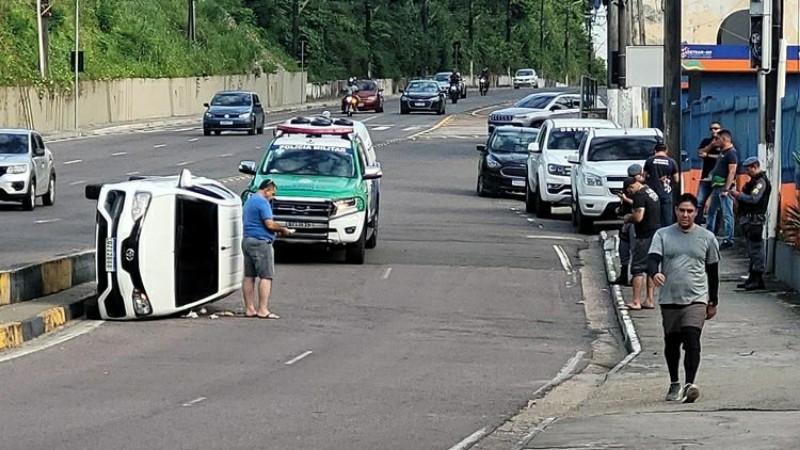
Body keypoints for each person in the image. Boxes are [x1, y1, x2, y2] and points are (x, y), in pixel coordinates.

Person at [647, 193, 720, 403]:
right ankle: (674, 382)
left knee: (692, 339)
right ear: (676, 210)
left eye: (690, 211)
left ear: (696, 212)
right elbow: (652, 260)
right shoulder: (663, 235)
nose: (685, 215)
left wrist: (712, 301)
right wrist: (655, 273)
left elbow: (713, 272)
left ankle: (690, 384)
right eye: (682, 210)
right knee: (672, 344)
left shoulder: (707, 238)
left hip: (696, 298)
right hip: (670, 298)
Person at [241, 180, 294, 319]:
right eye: (272, 193)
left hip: (247, 240)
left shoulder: (250, 200)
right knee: (266, 276)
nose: (273, 196)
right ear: (266, 190)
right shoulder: (262, 202)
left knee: (249, 276)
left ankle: (249, 309)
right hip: (261, 242)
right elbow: (269, 224)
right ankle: (263, 309)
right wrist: (283, 230)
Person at [730, 157, 772, 290]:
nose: (746, 172)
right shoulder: (754, 181)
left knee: (755, 250)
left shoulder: (761, 182)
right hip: (749, 219)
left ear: (754, 166)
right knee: (751, 250)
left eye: (748, 169)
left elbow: (754, 199)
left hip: (755, 221)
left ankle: (758, 278)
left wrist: (737, 195)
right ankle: (752, 278)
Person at [622, 175, 661, 309]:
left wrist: (628, 218)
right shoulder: (650, 192)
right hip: (655, 234)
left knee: (637, 268)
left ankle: (636, 301)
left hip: (644, 236)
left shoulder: (639, 196)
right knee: (651, 268)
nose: (630, 194)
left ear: (631, 187)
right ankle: (649, 300)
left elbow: (638, 217)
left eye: (629, 191)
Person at [705, 129, 738, 249]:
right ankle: (708, 236)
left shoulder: (731, 153)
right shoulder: (723, 152)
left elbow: (732, 171)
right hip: (716, 187)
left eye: (718, 139)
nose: (716, 141)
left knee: (727, 213)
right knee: (711, 212)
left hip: (724, 188)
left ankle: (729, 239)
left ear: (724, 139)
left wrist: (726, 189)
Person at [613, 163, 645, 286]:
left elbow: (639, 206)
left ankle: (635, 278)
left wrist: (626, 199)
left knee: (635, 250)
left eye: (635, 176)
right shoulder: (629, 185)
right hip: (626, 221)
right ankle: (623, 274)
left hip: (636, 224)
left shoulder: (643, 189)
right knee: (623, 248)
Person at [643, 141, 679, 227]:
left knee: (653, 219)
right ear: (666, 151)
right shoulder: (672, 162)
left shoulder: (649, 161)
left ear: (655, 151)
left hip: (652, 194)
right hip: (666, 193)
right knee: (667, 220)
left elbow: (643, 177)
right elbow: (676, 179)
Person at [696, 122, 722, 224]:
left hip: (718, 178)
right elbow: (699, 153)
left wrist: (708, 155)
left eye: (716, 128)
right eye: (711, 129)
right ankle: (698, 221)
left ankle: (716, 226)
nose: (713, 131)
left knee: (717, 204)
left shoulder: (723, 142)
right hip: (705, 176)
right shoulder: (706, 141)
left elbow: (722, 156)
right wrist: (711, 145)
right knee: (699, 201)